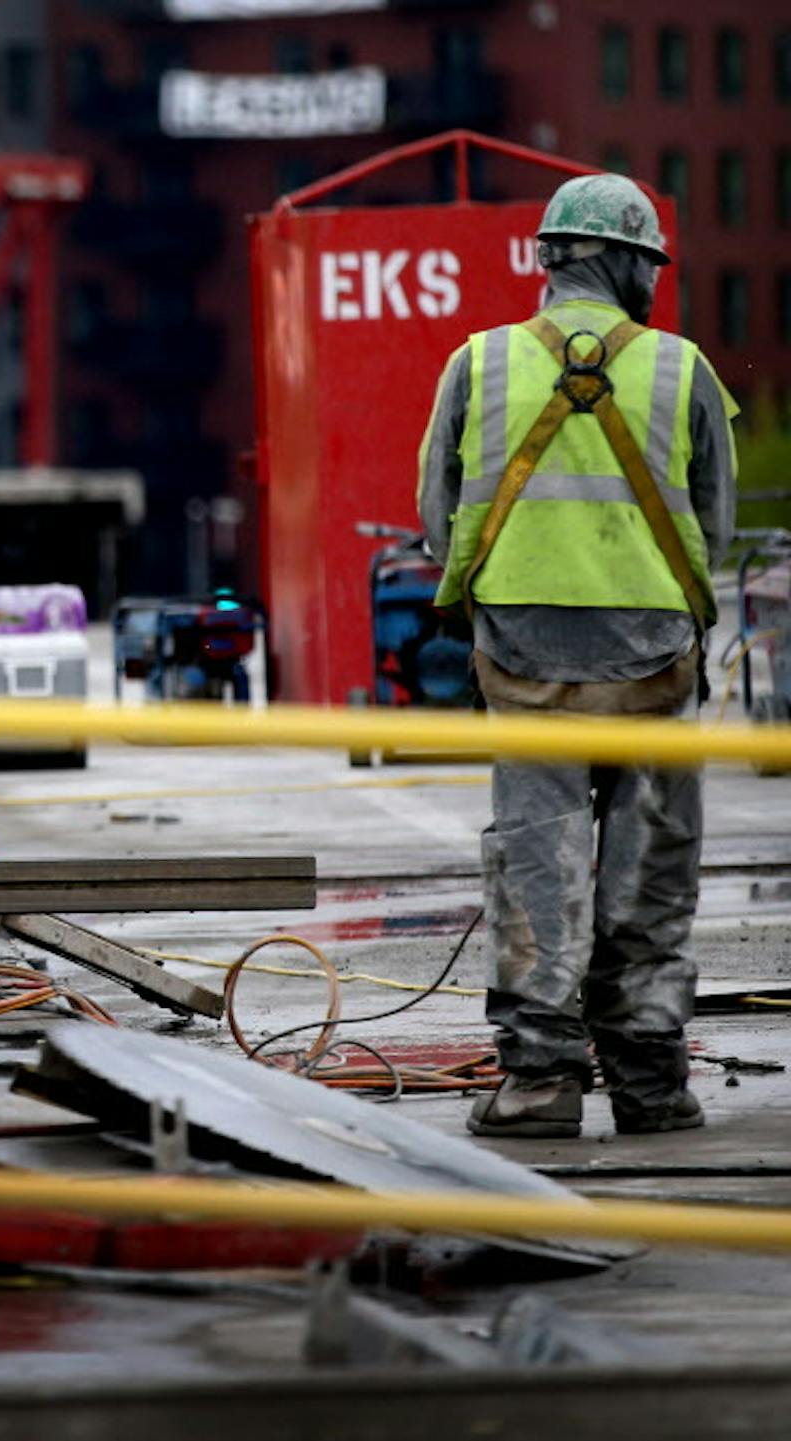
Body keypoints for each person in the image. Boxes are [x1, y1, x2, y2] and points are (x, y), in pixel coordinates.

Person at [416, 172, 738, 1140]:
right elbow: (713, 530)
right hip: (652, 664)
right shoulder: (684, 369)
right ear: (635, 264)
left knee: (537, 865)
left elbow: (439, 519)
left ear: (550, 259)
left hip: (524, 662)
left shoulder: (478, 364)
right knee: (651, 866)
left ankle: (540, 1085)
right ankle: (647, 1083)